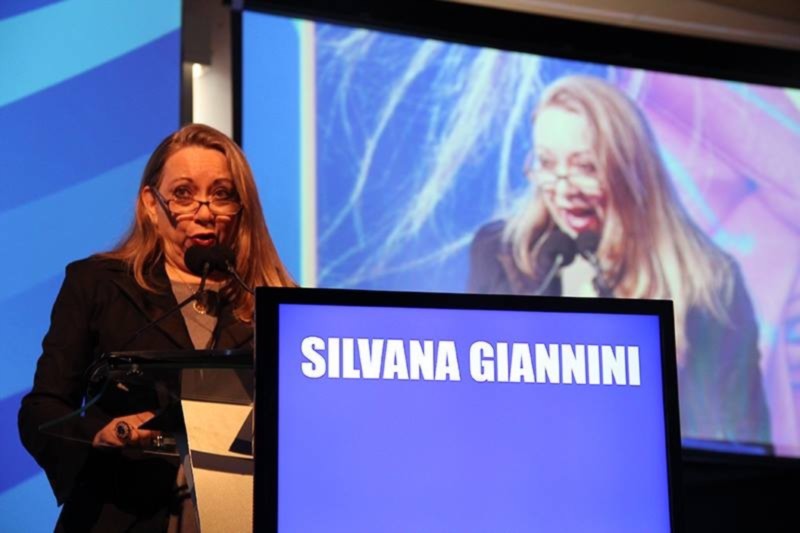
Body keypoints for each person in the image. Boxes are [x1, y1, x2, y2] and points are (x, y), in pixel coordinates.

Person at [18, 124, 294, 531]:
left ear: (242, 206)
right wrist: (103, 433)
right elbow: (42, 410)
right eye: (183, 194)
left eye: (221, 194)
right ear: (151, 203)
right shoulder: (99, 285)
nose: (204, 212)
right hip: (124, 514)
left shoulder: (277, 305)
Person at [467, 75, 771, 446]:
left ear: (631, 171)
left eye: (586, 167)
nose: (563, 189)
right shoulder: (500, 254)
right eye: (546, 163)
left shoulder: (708, 284)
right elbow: (475, 406)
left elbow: (741, 443)